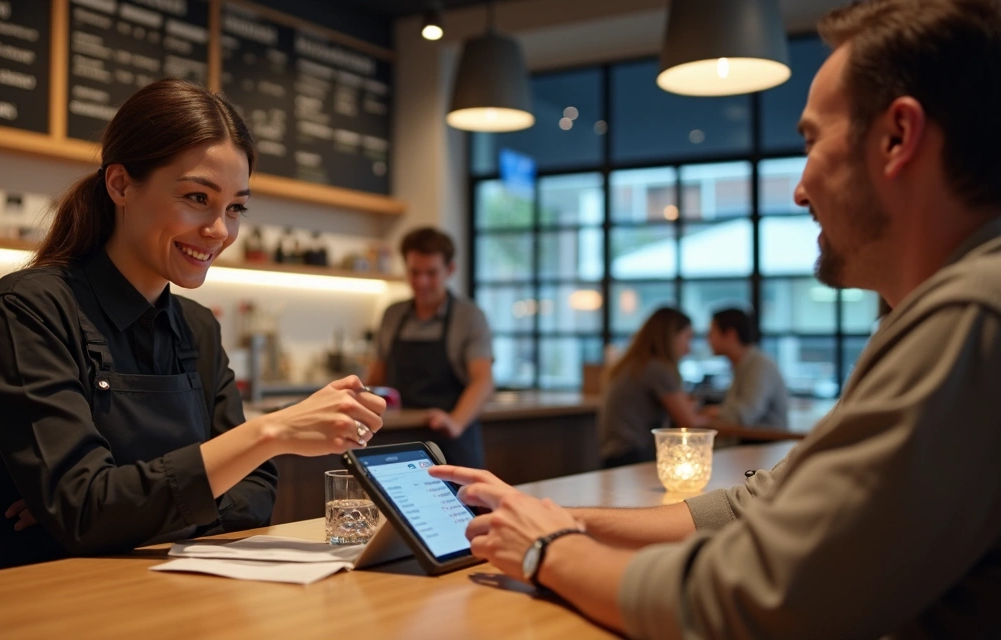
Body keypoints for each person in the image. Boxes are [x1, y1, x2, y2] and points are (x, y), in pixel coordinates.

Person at [428, 0, 1001, 636]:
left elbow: (752, 599)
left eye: (811, 140)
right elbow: (757, 503)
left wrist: (548, 552)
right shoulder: (932, 313)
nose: (799, 189)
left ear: (898, 137)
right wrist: (551, 514)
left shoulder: (973, 314)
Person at [0, 79, 385, 570]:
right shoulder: (30, 310)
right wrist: (268, 434)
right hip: (50, 600)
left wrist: (123, 511)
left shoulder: (197, 327)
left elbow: (253, 495)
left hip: (177, 592)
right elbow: (84, 512)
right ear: (120, 184)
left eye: (235, 208)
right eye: (196, 198)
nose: (220, 231)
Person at [366, 227, 494, 469]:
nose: (421, 281)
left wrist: (455, 422)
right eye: (415, 272)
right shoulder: (392, 315)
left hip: (452, 442)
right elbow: (376, 378)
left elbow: (483, 382)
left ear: (450, 270)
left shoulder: (469, 317)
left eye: (431, 273)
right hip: (397, 443)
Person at [600, 307, 709, 468]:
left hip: (614, 456)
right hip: (633, 457)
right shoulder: (656, 368)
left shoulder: (636, 363)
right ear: (671, 337)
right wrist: (716, 415)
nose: (689, 348)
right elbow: (688, 421)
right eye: (687, 338)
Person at [701, 307, 790, 429]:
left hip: (764, 443)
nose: (707, 340)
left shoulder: (759, 364)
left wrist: (713, 411)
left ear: (731, 335)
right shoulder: (744, 363)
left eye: (711, 334)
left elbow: (747, 413)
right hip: (749, 441)